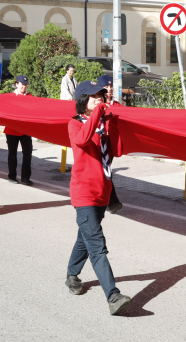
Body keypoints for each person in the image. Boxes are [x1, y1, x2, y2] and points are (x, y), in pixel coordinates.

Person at [65, 80, 131, 316]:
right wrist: (99, 116)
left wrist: (112, 124)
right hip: (83, 193)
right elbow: (82, 140)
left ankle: (72, 275)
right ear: (83, 101)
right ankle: (113, 296)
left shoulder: (102, 124)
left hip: (102, 192)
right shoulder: (74, 124)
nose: (100, 99)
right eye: (94, 97)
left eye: (101, 95)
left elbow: (119, 150)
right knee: (97, 245)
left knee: (85, 238)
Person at [97, 75, 123, 214]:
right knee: (103, 172)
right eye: (106, 87)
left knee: (106, 172)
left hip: (109, 144)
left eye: (111, 86)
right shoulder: (96, 103)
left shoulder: (117, 105)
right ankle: (110, 202)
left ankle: (111, 202)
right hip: (97, 142)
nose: (110, 89)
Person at [5, 75, 34, 185]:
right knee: (12, 154)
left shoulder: (30, 96)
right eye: (22, 85)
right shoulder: (10, 97)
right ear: (17, 84)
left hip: (25, 130)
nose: (24, 87)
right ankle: (12, 176)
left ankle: (25, 177)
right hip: (11, 130)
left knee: (28, 153)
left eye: (26, 85)